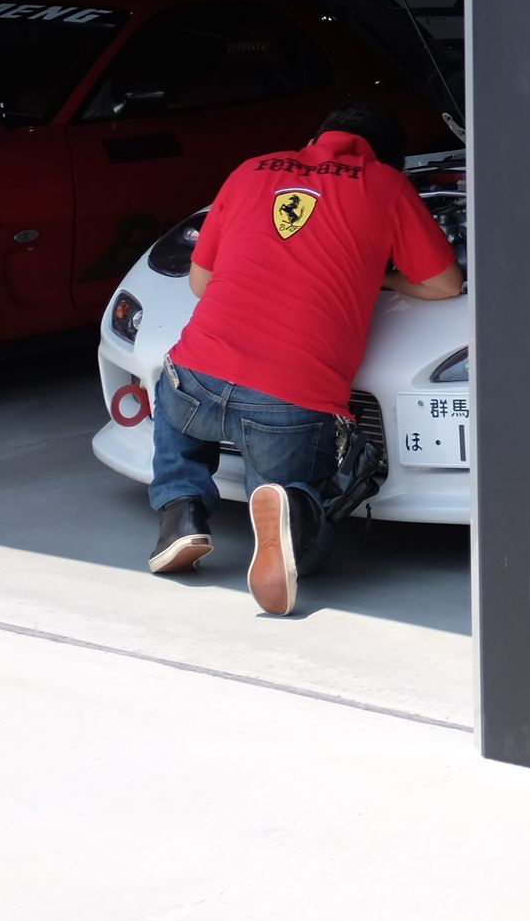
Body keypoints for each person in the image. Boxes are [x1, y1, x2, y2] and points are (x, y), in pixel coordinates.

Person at [146, 101, 463, 614]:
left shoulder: (251, 169)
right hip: (286, 399)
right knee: (300, 524)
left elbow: (200, 282)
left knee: (174, 389)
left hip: (196, 377)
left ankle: (180, 512)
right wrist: (375, 274)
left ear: (317, 137)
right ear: (390, 159)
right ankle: (291, 508)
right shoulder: (384, 184)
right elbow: (446, 284)